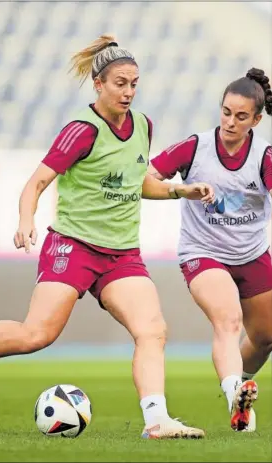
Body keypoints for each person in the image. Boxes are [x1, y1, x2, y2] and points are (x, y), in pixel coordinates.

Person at [0, 35, 215, 439]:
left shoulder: (143, 126)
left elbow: (138, 183)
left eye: (134, 83)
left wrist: (178, 190)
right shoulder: (81, 131)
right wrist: (25, 220)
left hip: (121, 254)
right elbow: (36, 182)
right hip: (73, 246)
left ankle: (156, 420)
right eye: (120, 83)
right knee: (37, 335)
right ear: (98, 84)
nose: (129, 91)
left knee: (152, 329)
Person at [148, 68, 272, 433]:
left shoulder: (264, 157)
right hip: (203, 252)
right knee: (229, 319)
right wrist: (181, 190)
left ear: (257, 120)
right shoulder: (195, 147)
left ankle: (238, 391)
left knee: (265, 336)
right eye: (226, 112)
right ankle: (236, 390)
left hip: (253, 254)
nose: (230, 122)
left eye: (241, 116)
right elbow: (146, 180)